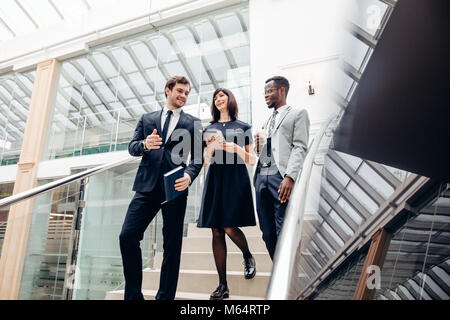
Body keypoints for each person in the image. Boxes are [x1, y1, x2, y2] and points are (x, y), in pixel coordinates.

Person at [119, 76, 203, 300]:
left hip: (175, 187)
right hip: (146, 188)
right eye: (180, 91)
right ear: (167, 90)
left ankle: (164, 297)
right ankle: (134, 296)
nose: (183, 96)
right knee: (127, 236)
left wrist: (189, 176)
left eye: (187, 93)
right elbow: (132, 147)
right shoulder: (147, 119)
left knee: (172, 246)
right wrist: (145, 144)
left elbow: (198, 158)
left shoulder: (193, 123)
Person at [197, 88, 257, 300]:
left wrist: (234, 148)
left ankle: (247, 255)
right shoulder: (209, 128)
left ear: (229, 99)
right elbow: (203, 162)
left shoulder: (243, 127)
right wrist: (210, 149)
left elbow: (251, 159)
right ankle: (223, 285)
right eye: (215, 97)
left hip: (235, 177)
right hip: (216, 178)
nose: (218, 99)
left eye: (221, 96)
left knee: (229, 225)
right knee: (216, 229)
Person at [254, 76, 310, 260]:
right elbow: (269, 150)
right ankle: (279, 269)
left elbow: (300, 146)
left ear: (282, 91)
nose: (266, 95)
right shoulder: (266, 121)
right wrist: (258, 147)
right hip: (261, 177)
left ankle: (286, 277)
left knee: (283, 229)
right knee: (267, 232)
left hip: (281, 178)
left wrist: (290, 177)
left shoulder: (298, 114)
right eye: (265, 92)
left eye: (269, 91)